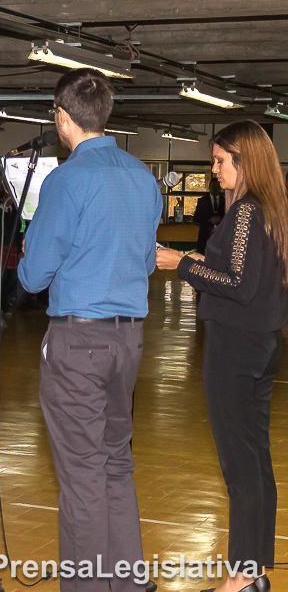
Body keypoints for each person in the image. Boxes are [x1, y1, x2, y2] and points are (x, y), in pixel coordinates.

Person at [17, 68, 162, 592]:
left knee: (81, 475)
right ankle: (128, 582)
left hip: (79, 340)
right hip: (129, 338)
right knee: (114, 464)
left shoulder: (66, 180)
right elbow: (146, 260)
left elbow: (34, 275)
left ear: (61, 116)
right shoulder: (143, 177)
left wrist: (31, 245)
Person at [156, 120, 288, 592]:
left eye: (219, 161)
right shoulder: (271, 210)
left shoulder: (248, 212)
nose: (213, 170)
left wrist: (181, 264)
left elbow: (238, 285)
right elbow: (243, 275)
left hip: (236, 347)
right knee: (255, 462)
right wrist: (193, 260)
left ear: (243, 161)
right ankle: (254, 573)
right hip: (261, 345)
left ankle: (239, 579)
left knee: (240, 467)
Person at [193, 177, 226, 255]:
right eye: (213, 186)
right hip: (205, 235)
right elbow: (196, 218)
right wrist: (210, 220)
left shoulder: (225, 201)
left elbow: (229, 217)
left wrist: (220, 220)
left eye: (217, 186)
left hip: (221, 236)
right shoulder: (202, 201)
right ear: (209, 188)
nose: (215, 189)